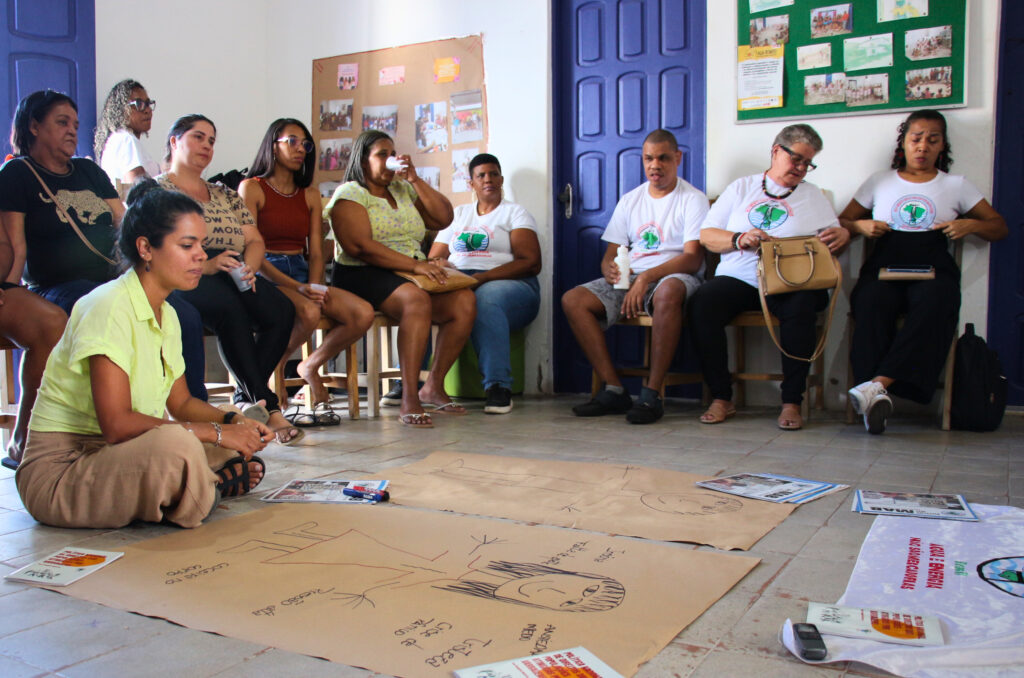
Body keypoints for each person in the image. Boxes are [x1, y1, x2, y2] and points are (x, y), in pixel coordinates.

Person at [16, 180, 272, 529]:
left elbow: (181, 403)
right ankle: (205, 489)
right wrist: (216, 434)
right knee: (176, 444)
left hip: (116, 455)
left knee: (225, 412)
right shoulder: (107, 306)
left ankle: (195, 483)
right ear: (146, 248)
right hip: (63, 471)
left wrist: (232, 423)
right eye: (187, 245)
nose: (201, 255)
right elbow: (118, 426)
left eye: (202, 244)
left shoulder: (166, 313)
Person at [0, 89, 208, 402]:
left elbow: (125, 224)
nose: (72, 129)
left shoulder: (88, 171)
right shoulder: (19, 173)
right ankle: (122, 411)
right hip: (59, 286)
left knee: (183, 314)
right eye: (62, 122)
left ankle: (194, 409)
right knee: (110, 309)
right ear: (34, 126)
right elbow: (14, 243)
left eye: (75, 123)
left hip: (113, 279)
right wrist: (9, 289)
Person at [838, 109, 1006, 434]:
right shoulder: (879, 181)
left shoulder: (955, 185)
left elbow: (998, 226)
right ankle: (874, 395)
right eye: (916, 138)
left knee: (938, 301)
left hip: (933, 268)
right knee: (870, 301)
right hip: (884, 265)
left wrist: (971, 224)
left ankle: (875, 387)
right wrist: (859, 225)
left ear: (942, 146)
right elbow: (840, 222)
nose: (923, 146)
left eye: (932, 140)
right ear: (903, 142)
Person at [688, 123, 848, 431]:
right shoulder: (742, 187)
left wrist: (841, 234)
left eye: (808, 163)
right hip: (741, 278)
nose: (802, 168)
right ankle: (722, 396)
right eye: (797, 159)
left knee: (803, 305)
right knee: (703, 303)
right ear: (776, 151)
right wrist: (738, 239)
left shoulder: (813, 196)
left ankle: (792, 401)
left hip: (791, 281)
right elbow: (707, 235)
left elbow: (832, 243)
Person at [158, 114, 301, 443]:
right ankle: (269, 407)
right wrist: (204, 265)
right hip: (187, 274)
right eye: (198, 137)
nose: (207, 145)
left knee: (281, 310)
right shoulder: (157, 189)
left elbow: (254, 239)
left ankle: (247, 396)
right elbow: (156, 244)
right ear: (175, 141)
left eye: (211, 140)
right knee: (230, 310)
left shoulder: (224, 193)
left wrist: (249, 267)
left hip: (235, 270)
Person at [325, 130, 474, 428]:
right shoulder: (350, 193)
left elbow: (444, 218)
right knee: (415, 300)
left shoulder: (402, 190)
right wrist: (416, 267)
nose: (390, 160)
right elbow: (359, 247)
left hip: (408, 271)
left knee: (463, 301)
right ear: (363, 160)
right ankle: (409, 397)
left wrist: (415, 180)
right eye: (382, 154)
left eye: (392, 153)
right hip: (360, 272)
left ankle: (433, 384)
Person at [561, 129, 708, 424]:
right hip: (634, 276)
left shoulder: (693, 199)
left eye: (663, 158)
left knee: (668, 292)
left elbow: (693, 259)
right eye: (649, 159)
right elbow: (611, 253)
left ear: (677, 158)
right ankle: (614, 389)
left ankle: (651, 394)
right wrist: (609, 269)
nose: (655, 165)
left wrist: (646, 278)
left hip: (675, 275)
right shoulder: (631, 200)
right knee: (573, 300)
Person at [239, 119, 374, 423]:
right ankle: (274, 379)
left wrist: (314, 287)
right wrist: (300, 290)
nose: (301, 149)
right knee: (310, 313)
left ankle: (301, 365)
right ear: (273, 146)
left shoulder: (309, 194)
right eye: (292, 142)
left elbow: (315, 252)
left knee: (362, 313)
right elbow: (253, 253)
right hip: (265, 272)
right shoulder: (252, 188)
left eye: (306, 144)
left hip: (301, 270)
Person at [427, 153, 541, 414]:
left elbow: (531, 262)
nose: (488, 179)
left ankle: (498, 386)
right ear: (472, 183)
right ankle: (414, 382)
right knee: (420, 300)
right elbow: (435, 256)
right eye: (481, 175)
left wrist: (482, 278)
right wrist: (441, 266)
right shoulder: (458, 214)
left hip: (511, 283)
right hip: (461, 281)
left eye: (493, 174)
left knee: (484, 300)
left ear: (501, 179)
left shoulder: (515, 213)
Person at [94, 78, 161, 187]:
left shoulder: (117, 140)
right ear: (121, 109)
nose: (147, 110)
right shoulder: (126, 140)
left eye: (148, 103)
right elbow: (139, 192)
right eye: (139, 104)